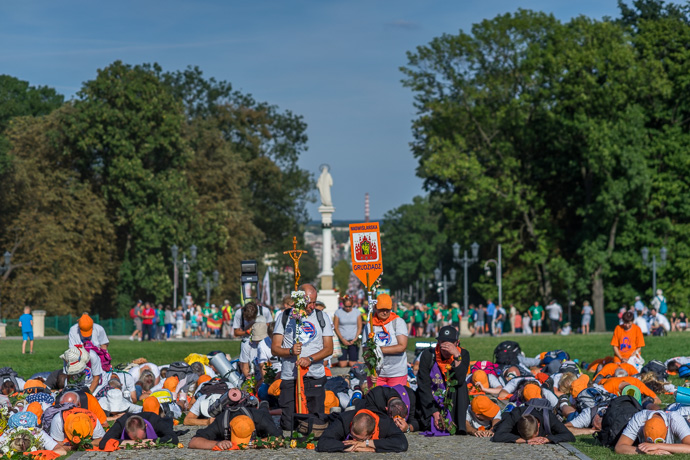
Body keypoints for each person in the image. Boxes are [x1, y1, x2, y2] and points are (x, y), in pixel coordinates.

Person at [271, 283, 333, 431]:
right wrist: (290, 352)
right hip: (290, 376)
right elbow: (275, 348)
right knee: (289, 425)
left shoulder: (321, 316)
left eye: (314, 302)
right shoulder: (285, 317)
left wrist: (310, 359)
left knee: (315, 424)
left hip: (314, 375)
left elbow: (329, 348)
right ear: (299, 301)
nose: (312, 306)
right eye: (309, 302)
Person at [417, 326, 470, 435]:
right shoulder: (428, 355)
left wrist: (456, 356)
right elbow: (423, 385)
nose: (446, 347)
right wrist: (434, 412)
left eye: (450, 343)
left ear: (457, 343)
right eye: (443, 343)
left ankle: (459, 424)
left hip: (452, 398)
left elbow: (459, 380)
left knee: (462, 385)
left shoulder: (463, 354)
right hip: (432, 398)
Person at [362, 293, 409, 387]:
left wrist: (378, 350)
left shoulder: (398, 322)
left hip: (397, 372)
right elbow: (365, 350)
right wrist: (371, 370)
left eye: (387, 310)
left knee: (396, 400)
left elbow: (402, 346)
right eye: (382, 310)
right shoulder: (370, 325)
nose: (384, 312)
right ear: (375, 308)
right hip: (377, 374)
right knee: (377, 400)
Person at [317, 409, 408, 453]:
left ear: (371, 434)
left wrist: (367, 444)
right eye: (353, 436)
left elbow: (402, 444)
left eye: (359, 439)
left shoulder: (385, 423)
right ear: (351, 424)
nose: (354, 441)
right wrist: (352, 448)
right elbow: (323, 443)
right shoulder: (344, 420)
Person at [491, 403, 575, 444]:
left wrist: (548, 439)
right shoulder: (516, 415)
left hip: (543, 409)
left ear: (538, 425)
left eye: (534, 437)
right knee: (503, 419)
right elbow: (498, 436)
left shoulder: (549, 418)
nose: (533, 440)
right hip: (516, 410)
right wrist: (525, 440)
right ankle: (508, 407)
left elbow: (569, 436)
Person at [615, 410, 690, 455]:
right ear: (643, 430)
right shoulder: (639, 419)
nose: (652, 446)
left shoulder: (675, 420)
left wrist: (659, 446)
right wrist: (649, 452)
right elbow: (619, 447)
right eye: (650, 442)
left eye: (659, 441)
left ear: (667, 428)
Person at [99, 412, 178, 449]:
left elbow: (173, 438)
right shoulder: (121, 423)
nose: (138, 445)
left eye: (141, 439)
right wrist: (131, 443)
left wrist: (151, 441)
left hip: (162, 422)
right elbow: (103, 442)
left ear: (146, 427)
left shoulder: (154, 420)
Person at [333, 295, 362, 368]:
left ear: (352, 305)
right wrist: (342, 339)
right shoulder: (338, 312)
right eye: (346, 306)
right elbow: (335, 327)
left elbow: (359, 326)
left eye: (350, 306)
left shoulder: (357, 312)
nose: (348, 308)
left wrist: (355, 338)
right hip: (342, 340)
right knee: (343, 365)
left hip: (353, 340)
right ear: (343, 304)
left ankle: (354, 361)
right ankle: (340, 362)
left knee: (352, 365)